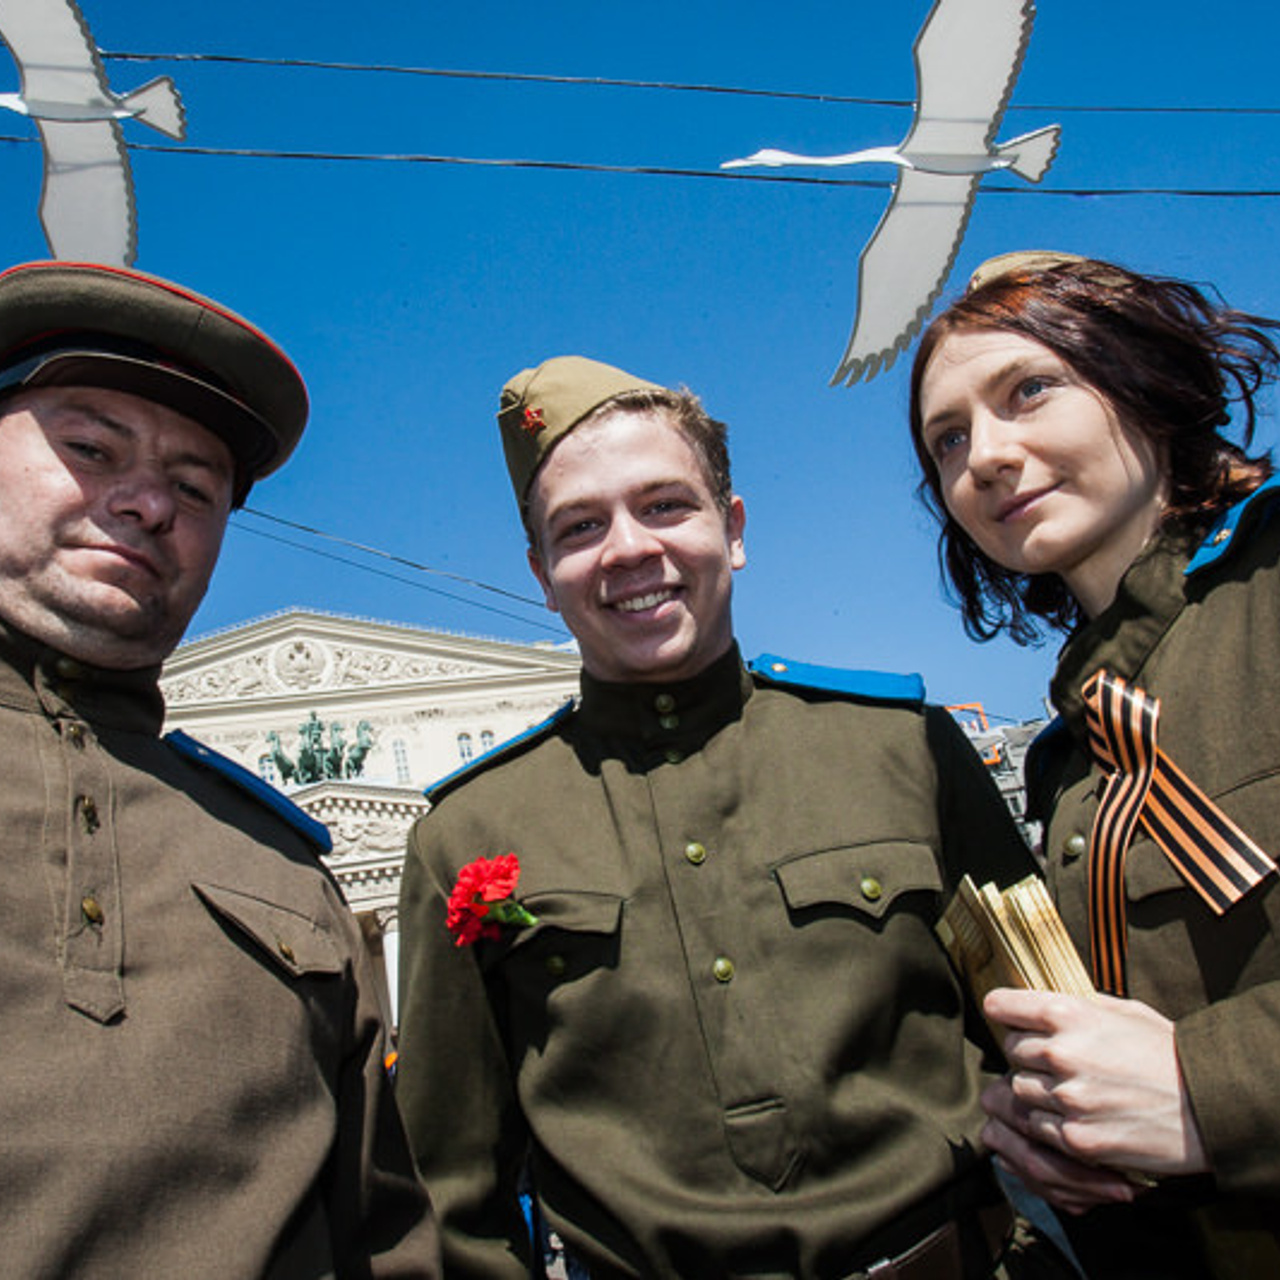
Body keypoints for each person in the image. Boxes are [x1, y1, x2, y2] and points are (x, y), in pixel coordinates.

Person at [396, 354, 1049, 1278]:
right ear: (543, 575)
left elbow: (1052, 1042)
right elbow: (450, 1196)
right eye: (580, 527)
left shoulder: (904, 749)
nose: (628, 548)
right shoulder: (464, 836)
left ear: (731, 528)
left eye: (665, 505)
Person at [0, 259, 440, 1277]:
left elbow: (385, 1234)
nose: (149, 500)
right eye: (90, 446)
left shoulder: (285, 868)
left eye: (196, 486)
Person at [908, 250, 1280, 1279]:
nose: (981, 454)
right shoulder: (1070, 754)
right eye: (946, 439)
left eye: (1027, 389)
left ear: (1139, 378)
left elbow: (1185, 1074)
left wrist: (1209, 1087)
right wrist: (1059, 1129)